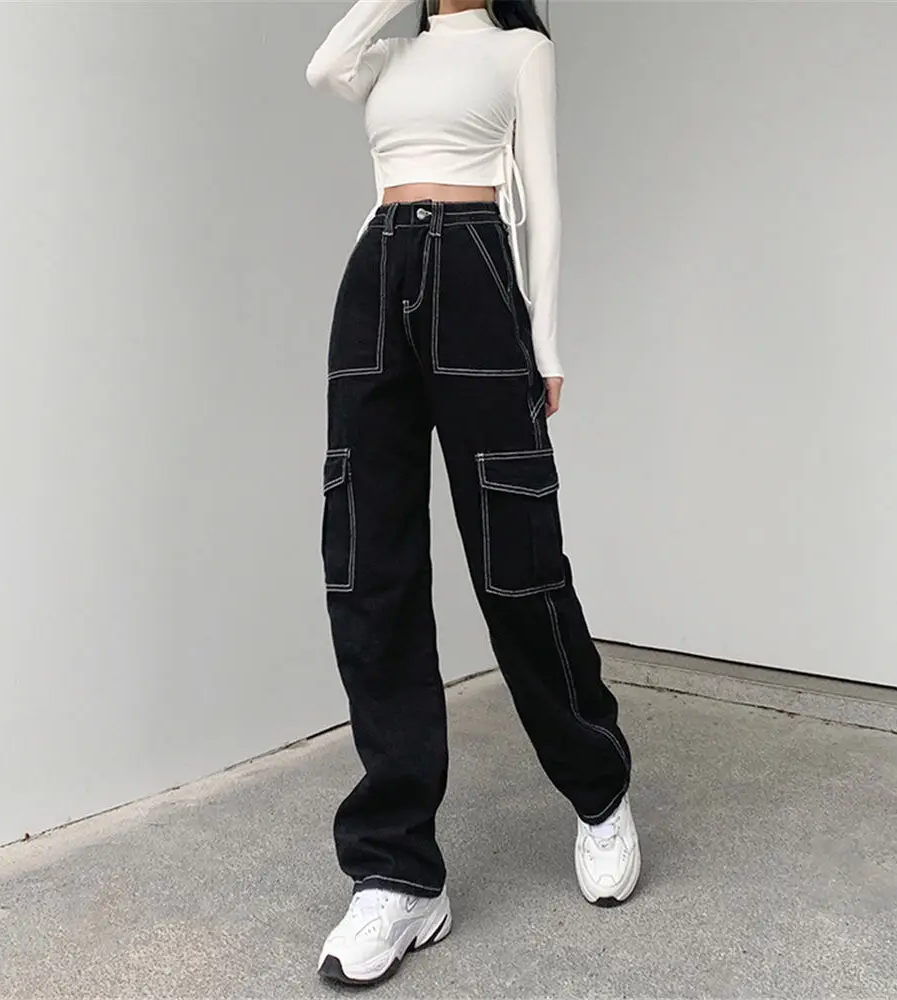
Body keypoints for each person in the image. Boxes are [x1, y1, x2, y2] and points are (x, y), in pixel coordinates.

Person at [306, 0, 640, 986]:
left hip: (476, 272)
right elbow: (324, 67)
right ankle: (398, 875)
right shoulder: (388, 51)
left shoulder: (518, 49)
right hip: (375, 279)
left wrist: (546, 344)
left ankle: (599, 792)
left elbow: (545, 192)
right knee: (368, 569)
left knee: (517, 562)